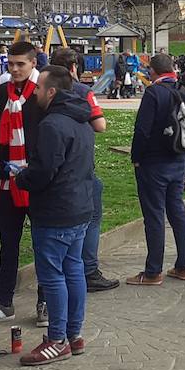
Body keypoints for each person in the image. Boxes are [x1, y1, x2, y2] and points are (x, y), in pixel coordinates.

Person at [18, 66, 97, 366]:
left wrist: (22, 177)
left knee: (52, 277)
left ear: (51, 91)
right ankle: (74, 334)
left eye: (38, 88)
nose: (35, 92)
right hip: (79, 207)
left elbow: (44, 172)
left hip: (56, 211)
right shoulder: (82, 118)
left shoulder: (52, 124)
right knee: (73, 270)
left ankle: (56, 339)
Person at [0, 41, 43, 329]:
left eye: (20, 64)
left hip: (38, 182)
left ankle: (45, 301)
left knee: (43, 244)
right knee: (8, 244)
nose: (14, 69)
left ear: (33, 63)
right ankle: (4, 302)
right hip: (6, 181)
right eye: (10, 64)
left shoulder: (42, 93)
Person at [48, 48, 118, 294]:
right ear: (74, 67)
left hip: (51, 165)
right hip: (81, 166)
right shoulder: (82, 91)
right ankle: (89, 270)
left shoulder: (41, 91)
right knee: (91, 219)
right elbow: (100, 125)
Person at [126, 53, 185, 286]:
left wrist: (136, 158)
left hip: (154, 163)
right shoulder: (184, 92)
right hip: (178, 160)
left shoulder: (154, 93)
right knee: (178, 213)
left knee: (154, 215)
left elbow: (142, 130)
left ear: (152, 71)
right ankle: (183, 266)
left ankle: (153, 271)